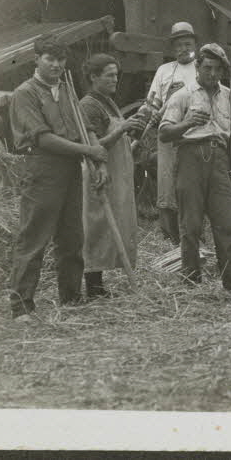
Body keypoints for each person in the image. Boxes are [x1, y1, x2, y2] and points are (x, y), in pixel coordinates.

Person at [7, 36, 108, 320]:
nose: (56, 65)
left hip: (72, 168)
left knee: (72, 236)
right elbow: (45, 139)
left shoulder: (66, 89)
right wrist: (89, 150)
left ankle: (71, 299)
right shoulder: (25, 93)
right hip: (43, 168)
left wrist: (98, 162)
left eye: (60, 60)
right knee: (34, 236)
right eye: (49, 59)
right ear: (36, 59)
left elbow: (84, 126)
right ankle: (21, 306)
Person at [158, 43, 231, 289]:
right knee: (191, 224)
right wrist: (187, 123)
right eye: (207, 68)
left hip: (219, 159)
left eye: (218, 70)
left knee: (227, 223)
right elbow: (164, 133)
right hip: (190, 158)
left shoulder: (229, 95)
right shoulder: (183, 95)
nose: (212, 74)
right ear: (197, 67)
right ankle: (191, 282)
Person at [77, 53, 141, 300]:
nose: (116, 79)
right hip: (98, 172)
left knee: (110, 224)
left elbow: (116, 141)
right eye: (110, 75)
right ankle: (93, 285)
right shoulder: (88, 105)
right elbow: (92, 145)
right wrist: (122, 129)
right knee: (96, 226)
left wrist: (133, 136)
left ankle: (99, 285)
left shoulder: (107, 102)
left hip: (116, 172)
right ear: (94, 77)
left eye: (117, 74)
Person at [145, 21, 199, 242]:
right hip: (167, 133)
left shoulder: (202, 68)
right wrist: (151, 112)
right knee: (167, 184)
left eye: (187, 44)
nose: (183, 49)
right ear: (172, 48)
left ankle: (193, 234)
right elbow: (152, 102)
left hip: (193, 134)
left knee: (190, 186)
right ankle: (170, 236)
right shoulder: (164, 70)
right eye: (178, 45)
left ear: (195, 44)